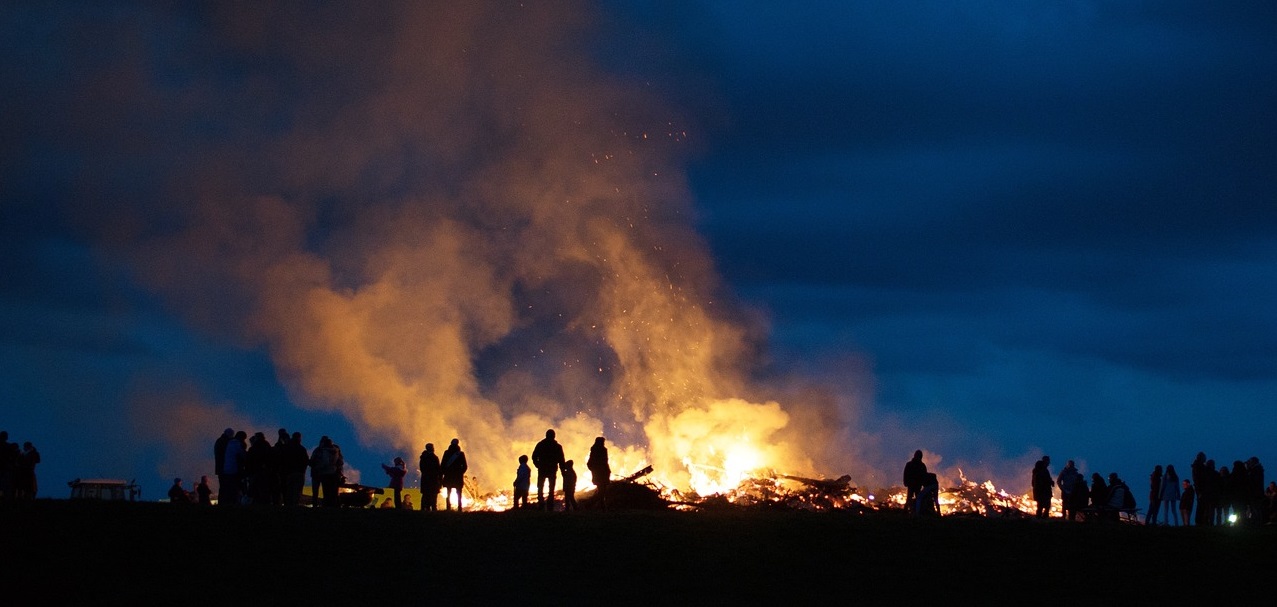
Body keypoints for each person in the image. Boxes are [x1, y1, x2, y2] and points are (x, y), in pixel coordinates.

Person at [532, 429, 565, 511]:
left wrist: (538, 465)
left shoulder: (541, 445)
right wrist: (563, 471)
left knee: (540, 486)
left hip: (543, 469)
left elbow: (534, 456)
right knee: (551, 488)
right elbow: (561, 460)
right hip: (552, 469)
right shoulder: (557, 446)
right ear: (554, 436)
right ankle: (549, 505)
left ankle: (541, 503)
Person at [309, 436, 344, 508]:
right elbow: (340, 462)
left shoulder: (320, 451)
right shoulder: (336, 450)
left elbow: (318, 461)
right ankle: (333, 505)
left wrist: (316, 467)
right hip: (332, 474)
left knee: (322, 491)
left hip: (320, 473)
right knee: (331, 491)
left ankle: (319, 505)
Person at [222, 431, 248, 506]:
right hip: (234, 469)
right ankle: (236, 502)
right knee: (236, 487)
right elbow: (242, 455)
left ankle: (230, 502)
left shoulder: (229, 443)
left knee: (230, 487)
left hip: (227, 468)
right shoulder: (236, 444)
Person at [441, 438, 467, 511]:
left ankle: (448, 507)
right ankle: (459, 508)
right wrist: (461, 473)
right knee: (459, 493)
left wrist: (444, 473)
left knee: (448, 493)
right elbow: (465, 466)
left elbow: (442, 465)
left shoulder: (446, 452)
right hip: (458, 477)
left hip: (448, 476)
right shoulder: (460, 454)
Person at [587, 436, 610, 510]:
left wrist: (593, 470)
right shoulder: (601, 450)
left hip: (599, 474)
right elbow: (604, 462)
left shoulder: (594, 450)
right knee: (602, 491)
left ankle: (600, 506)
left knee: (601, 491)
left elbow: (589, 463)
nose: (603, 443)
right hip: (602, 474)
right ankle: (598, 506)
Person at [902, 450, 927, 515]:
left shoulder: (913, 464)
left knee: (915, 498)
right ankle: (909, 511)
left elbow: (924, 475)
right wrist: (906, 482)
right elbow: (906, 474)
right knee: (912, 498)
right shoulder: (919, 465)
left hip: (915, 485)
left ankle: (914, 512)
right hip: (913, 484)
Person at [213, 428, 233, 506]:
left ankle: (222, 502)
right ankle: (225, 502)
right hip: (225, 468)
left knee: (222, 486)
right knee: (225, 486)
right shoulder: (225, 442)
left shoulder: (219, 441)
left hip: (221, 468)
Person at [419, 442, 441, 512]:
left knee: (425, 495)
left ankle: (425, 508)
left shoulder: (423, 457)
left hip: (425, 479)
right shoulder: (434, 458)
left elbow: (422, 468)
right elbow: (438, 469)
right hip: (433, 480)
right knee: (433, 495)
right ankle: (433, 509)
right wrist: (440, 479)